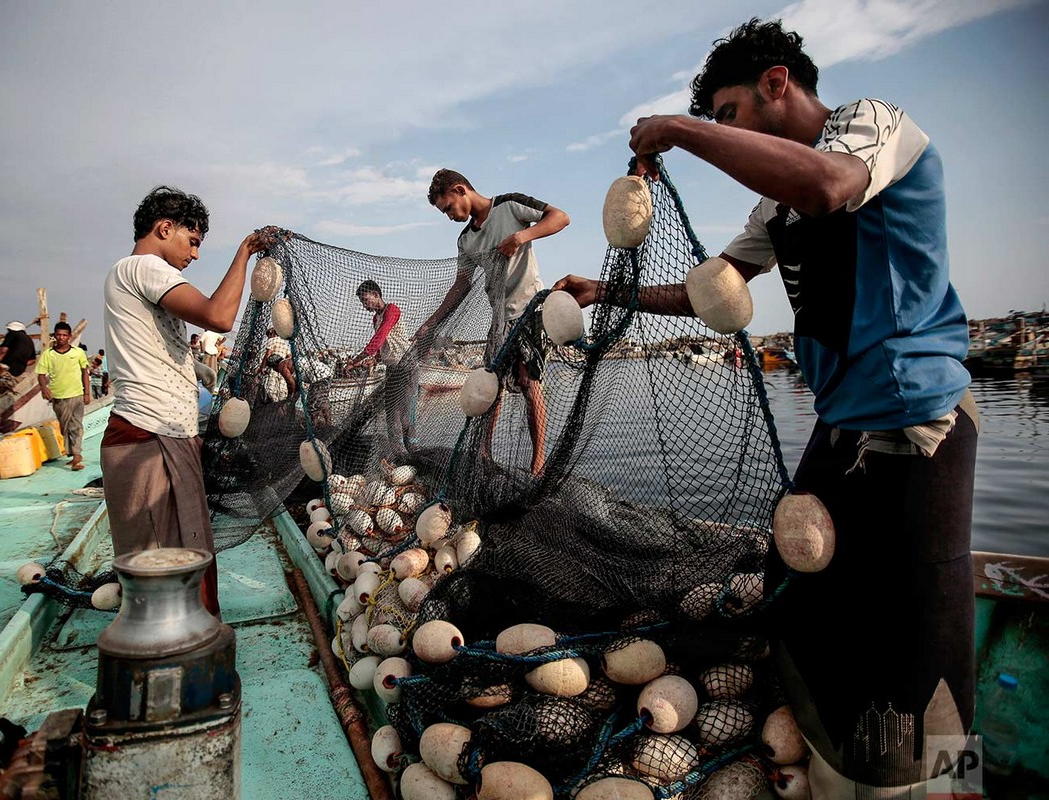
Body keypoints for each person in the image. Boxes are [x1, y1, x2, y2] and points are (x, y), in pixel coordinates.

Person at [553, 19, 976, 797]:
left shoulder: (870, 128)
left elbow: (829, 187)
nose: (724, 132)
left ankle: (947, 780)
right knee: (799, 578)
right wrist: (600, 289)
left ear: (777, 84)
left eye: (730, 113)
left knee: (921, 622)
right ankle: (826, 750)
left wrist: (679, 129)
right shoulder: (773, 214)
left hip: (918, 421)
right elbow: (702, 290)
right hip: (844, 425)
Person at [101, 184, 280, 618]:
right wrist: (245, 252)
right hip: (148, 439)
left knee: (187, 563)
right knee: (163, 577)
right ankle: (173, 674)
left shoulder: (132, 275)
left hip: (164, 436)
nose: (195, 255)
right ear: (165, 228)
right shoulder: (143, 266)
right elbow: (219, 316)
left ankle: (190, 663)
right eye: (193, 241)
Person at [423, 169, 570, 475]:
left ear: (461, 189)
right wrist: (432, 323)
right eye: (444, 213)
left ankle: (538, 463)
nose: (449, 216)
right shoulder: (465, 240)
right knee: (491, 386)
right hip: (500, 319)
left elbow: (560, 217)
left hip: (531, 311)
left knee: (530, 385)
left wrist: (522, 236)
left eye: (448, 208)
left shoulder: (509, 206)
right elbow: (460, 285)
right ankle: (484, 453)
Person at [347, 279, 414, 456]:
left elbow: (380, 336)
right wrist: (374, 359)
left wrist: (358, 358)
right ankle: (399, 453)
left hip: (407, 365)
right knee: (392, 412)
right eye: (362, 302)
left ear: (376, 295)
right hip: (392, 368)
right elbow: (382, 344)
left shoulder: (391, 310)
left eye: (365, 300)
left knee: (406, 411)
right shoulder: (375, 318)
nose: (364, 305)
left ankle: (412, 449)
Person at [36, 321, 91, 470]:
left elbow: (85, 373)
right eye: (59, 335)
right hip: (58, 396)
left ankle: (77, 455)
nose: (61, 338)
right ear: (54, 336)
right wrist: (44, 388)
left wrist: (87, 393)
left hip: (77, 394)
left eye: (64, 335)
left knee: (76, 426)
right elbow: (41, 374)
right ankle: (72, 452)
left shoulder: (78, 353)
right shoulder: (49, 354)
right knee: (65, 427)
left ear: (69, 337)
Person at [0, 321, 37, 393]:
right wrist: (22, 363)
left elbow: (3, 350)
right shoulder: (29, 339)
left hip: (6, 367)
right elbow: (32, 360)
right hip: (19, 371)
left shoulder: (12, 334)